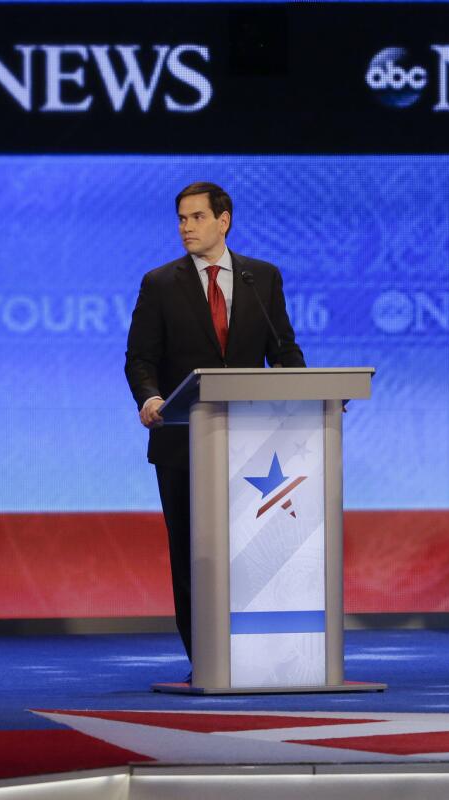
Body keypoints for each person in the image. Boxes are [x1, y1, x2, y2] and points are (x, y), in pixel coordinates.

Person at [124, 182, 305, 670]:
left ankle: (261, 652)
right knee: (192, 555)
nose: (186, 227)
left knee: (252, 551)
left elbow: (283, 351)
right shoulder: (160, 283)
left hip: (252, 444)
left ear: (223, 221)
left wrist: (308, 397)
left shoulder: (260, 278)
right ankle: (204, 655)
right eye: (181, 218)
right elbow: (140, 358)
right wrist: (151, 397)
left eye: (197, 217)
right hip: (182, 442)